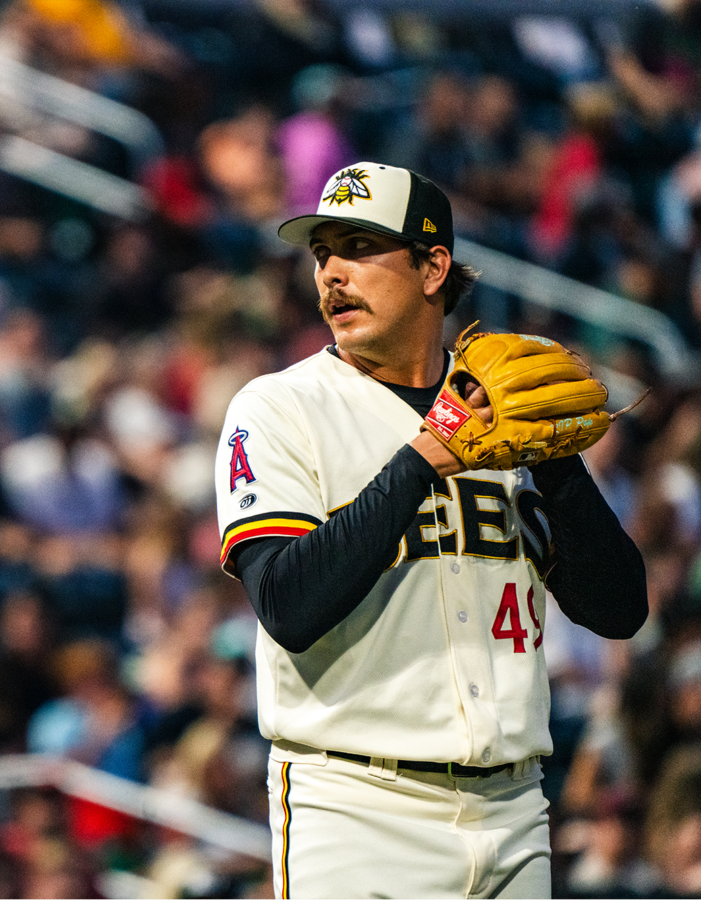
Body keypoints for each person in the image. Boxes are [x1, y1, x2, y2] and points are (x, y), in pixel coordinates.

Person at [213, 160, 648, 899]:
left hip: (514, 811)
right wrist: (422, 457)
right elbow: (288, 603)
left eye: (357, 247)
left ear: (432, 267)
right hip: (356, 809)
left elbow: (618, 609)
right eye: (322, 254)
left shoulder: (502, 412)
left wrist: (561, 465)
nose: (331, 275)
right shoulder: (280, 407)